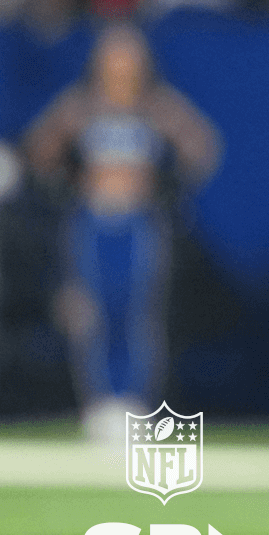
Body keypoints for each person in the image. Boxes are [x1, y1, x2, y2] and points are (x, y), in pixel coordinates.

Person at [24, 23, 221, 441]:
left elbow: (203, 147)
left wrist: (168, 181)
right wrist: (68, 174)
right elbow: (39, 150)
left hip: (137, 222)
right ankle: (99, 403)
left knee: (139, 315)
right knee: (92, 314)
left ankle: (135, 401)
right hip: (94, 220)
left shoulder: (154, 107)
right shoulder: (83, 106)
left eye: (128, 61)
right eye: (113, 60)